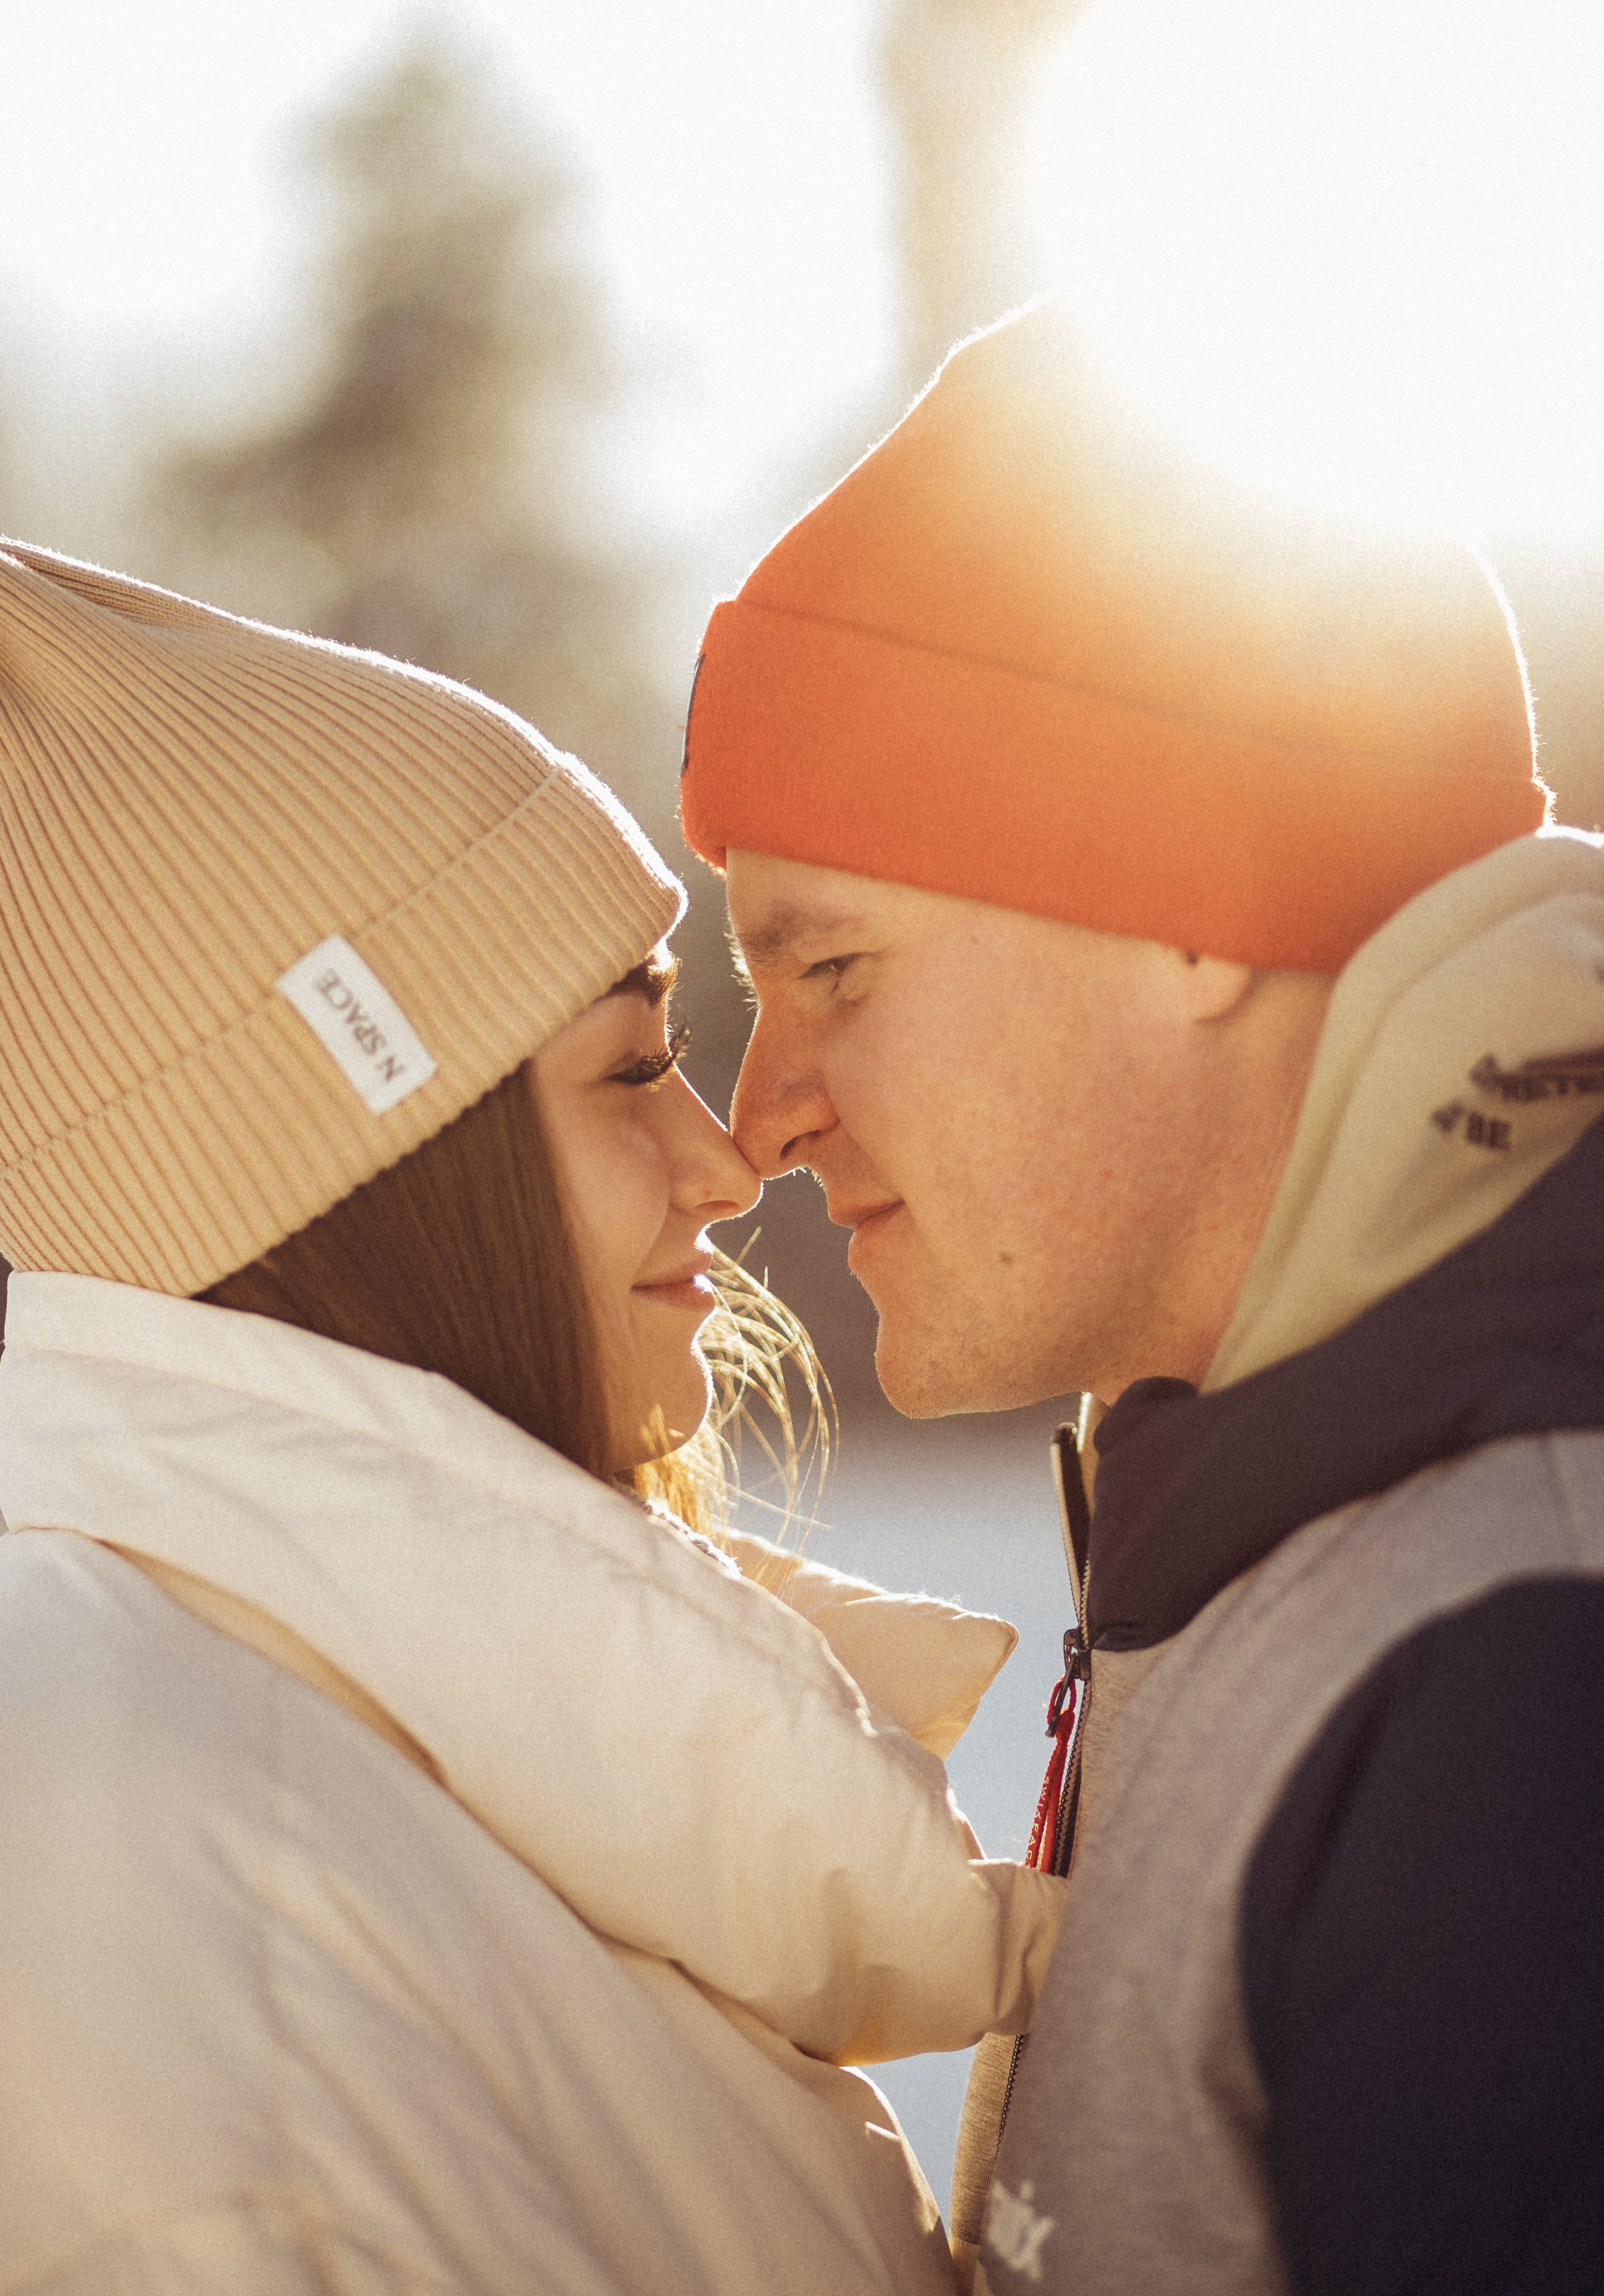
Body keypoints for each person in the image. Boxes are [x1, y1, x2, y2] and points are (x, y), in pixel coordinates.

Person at [0, 538, 1070, 2294]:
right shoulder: (160, 1886)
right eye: (632, 1069)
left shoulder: (391, 1748)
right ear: (383, 1164)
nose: (726, 1164)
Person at [680, 301, 1604, 2294]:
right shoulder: (1280, 1514)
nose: (760, 1120)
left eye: (830, 969)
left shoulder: (1519, 1683)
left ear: (1189, 904)